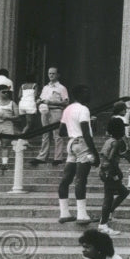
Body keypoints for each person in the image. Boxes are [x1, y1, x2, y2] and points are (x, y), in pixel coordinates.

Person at [57, 84, 100, 225]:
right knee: (81, 179)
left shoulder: (68, 109)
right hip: (82, 143)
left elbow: (61, 131)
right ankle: (82, 215)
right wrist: (95, 153)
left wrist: (72, 129)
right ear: (80, 94)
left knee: (66, 178)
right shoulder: (83, 109)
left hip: (71, 143)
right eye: (86, 92)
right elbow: (86, 133)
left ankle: (64, 213)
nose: (89, 95)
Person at [97, 117, 130, 236]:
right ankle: (103, 224)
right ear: (119, 130)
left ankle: (108, 215)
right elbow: (111, 159)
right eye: (123, 128)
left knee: (123, 192)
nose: (124, 130)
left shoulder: (109, 141)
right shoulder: (116, 143)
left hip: (104, 171)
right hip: (109, 172)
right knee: (108, 198)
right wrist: (117, 173)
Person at [33, 67, 70, 166]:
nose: (51, 75)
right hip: (45, 111)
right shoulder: (46, 87)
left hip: (56, 111)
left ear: (58, 75)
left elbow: (66, 102)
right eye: (49, 73)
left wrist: (52, 102)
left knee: (57, 135)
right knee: (45, 134)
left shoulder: (61, 88)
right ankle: (42, 156)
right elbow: (41, 98)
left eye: (53, 73)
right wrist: (38, 101)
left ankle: (58, 157)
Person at [110, 100, 130, 190]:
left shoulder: (112, 118)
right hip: (121, 143)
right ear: (120, 110)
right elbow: (123, 134)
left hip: (113, 142)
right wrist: (127, 145)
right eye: (124, 109)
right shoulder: (122, 119)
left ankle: (115, 185)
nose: (126, 111)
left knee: (115, 165)